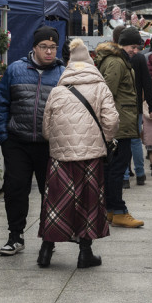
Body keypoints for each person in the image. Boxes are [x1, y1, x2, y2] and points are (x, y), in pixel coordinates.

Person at [38, 39, 119, 268]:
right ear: (91, 61)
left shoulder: (57, 90)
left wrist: (59, 142)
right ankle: (85, 253)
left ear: (69, 64)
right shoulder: (100, 87)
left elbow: (46, 129)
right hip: (91, 156)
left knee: (55, 202)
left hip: (60, 157)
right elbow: (111, 120)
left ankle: (45, 251)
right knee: (89, 201)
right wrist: (106, 138)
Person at [0, 26, 65, 256]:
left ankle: (49, 238)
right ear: (34, 47)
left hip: (48, 144)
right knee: (15, 189)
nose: (49, 51)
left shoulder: (63, 74)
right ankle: (15, 236)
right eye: (44, 47)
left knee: (50, 192)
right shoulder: (16, 69)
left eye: (53, 47)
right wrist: (3, 136)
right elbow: (1, 103)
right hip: (18, 142)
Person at [95, 31, 144, 228]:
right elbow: (107, 94)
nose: (135, 51)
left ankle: (110, 210)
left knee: (112, 169)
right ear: (122, 45)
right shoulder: (116, 62)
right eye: (132, 47)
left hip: (121, 122)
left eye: (137, 47)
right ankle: (119, 210)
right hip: (119, 125)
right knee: (117, 169)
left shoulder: (119, 60)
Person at [116, 26, 152, 188]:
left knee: (122, 141)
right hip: (136, 106)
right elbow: (148, 83)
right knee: (135, 141)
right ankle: (140, 173)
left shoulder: (118, 59)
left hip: (121, 107)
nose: (135, 50)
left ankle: (125, 176)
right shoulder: (139, 59)